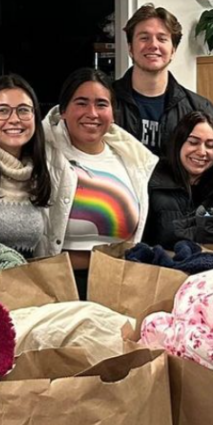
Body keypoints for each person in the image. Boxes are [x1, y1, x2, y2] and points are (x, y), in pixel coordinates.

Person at [43, 68, 157, 289]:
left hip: (120, 287)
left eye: (102, 104)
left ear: (113, 113)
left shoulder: (133, 161)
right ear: (63, 110)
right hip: (61, 288)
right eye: (82, 103)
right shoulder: (43, 156)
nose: (92, 113)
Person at [112, 4, 213, 156]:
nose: (153, 45)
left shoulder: (199, 108)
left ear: (173, 50)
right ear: (130, 48)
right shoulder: (106, 102)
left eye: (162, 39)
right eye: (144, 38)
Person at [0, 74, 58, 258]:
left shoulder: (39, 172)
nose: (15, 119)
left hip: (27, 282)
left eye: (24, 110)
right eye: (2, 110)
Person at [143, 111, 213, 249]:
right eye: (193, 142)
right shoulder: (151, 182)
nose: (202, 151)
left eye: (211, 145)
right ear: (179, 142)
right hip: (160, 267)